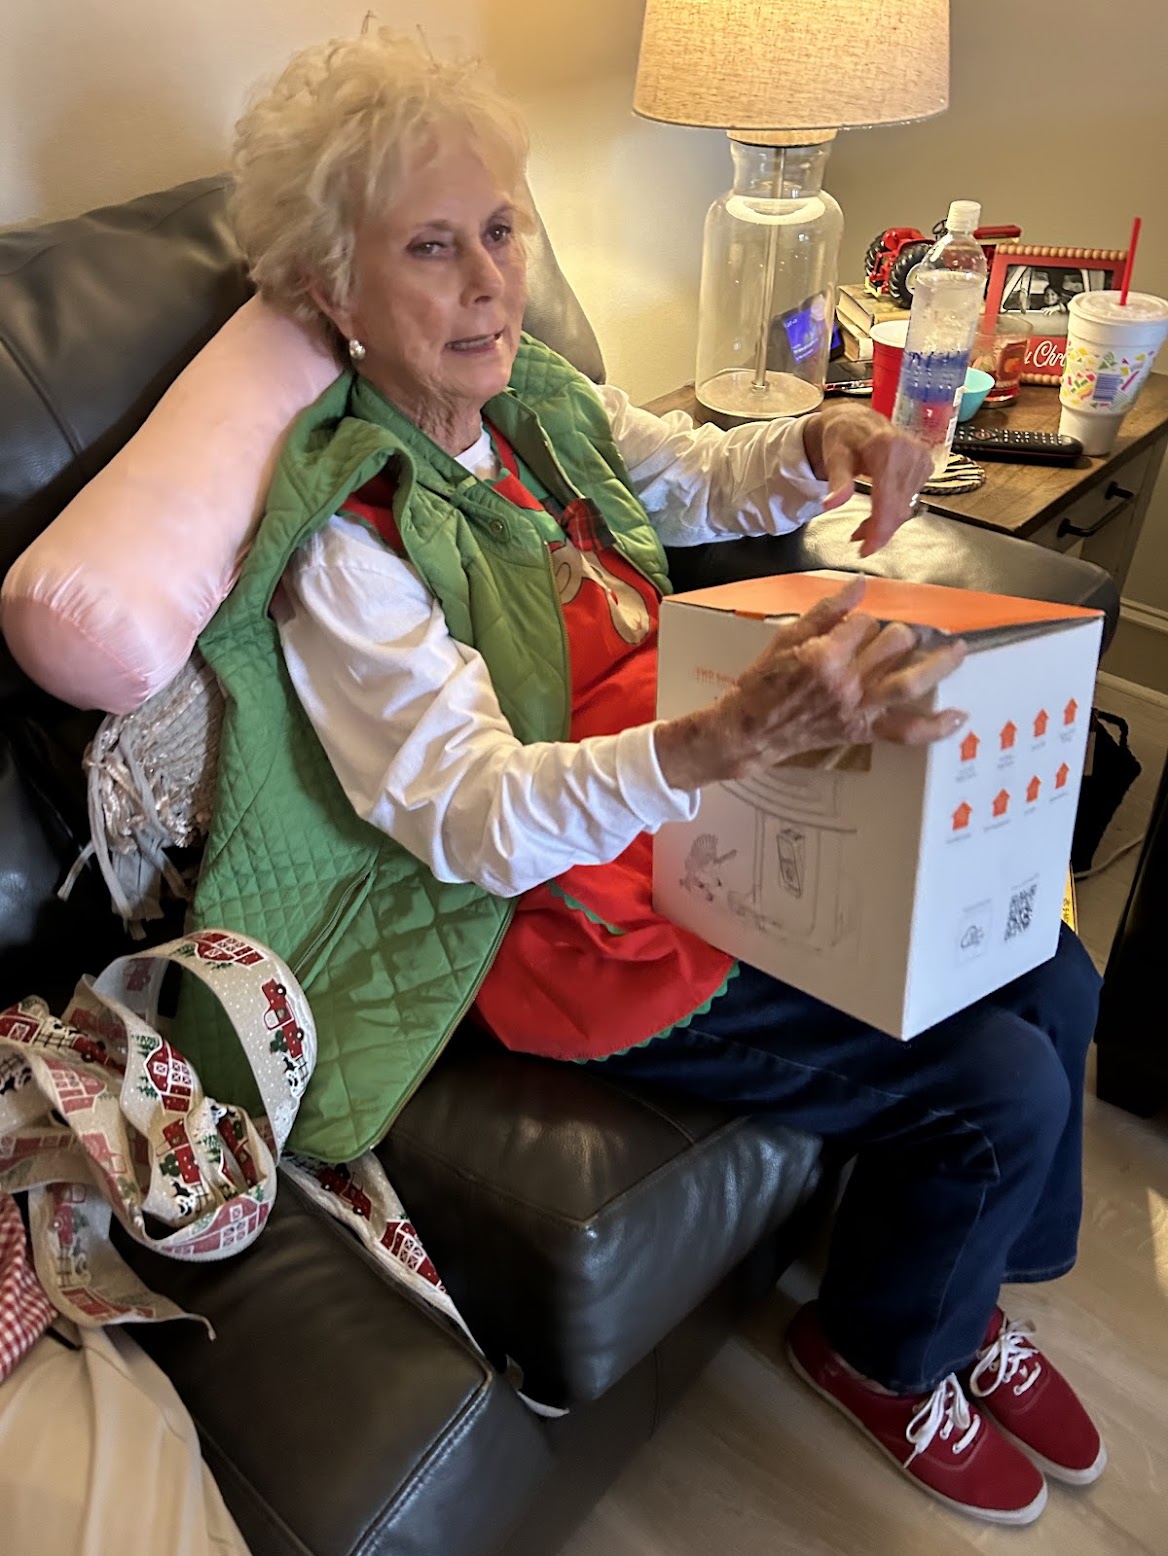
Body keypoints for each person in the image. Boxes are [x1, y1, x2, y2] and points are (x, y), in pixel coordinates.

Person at [192, 28, 1104, 1527]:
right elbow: (477, 821)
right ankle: (882, 1357)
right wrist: (721, 744)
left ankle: (962, 1289)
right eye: (432, 247)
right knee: (995, 1081)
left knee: (1050, 968)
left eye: (500, 229)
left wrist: (817, 440)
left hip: (700, 809)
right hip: (565, 919)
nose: (491, 281)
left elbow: (682, 471)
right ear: (332, 292)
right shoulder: (351, 545)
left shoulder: (532, 399)